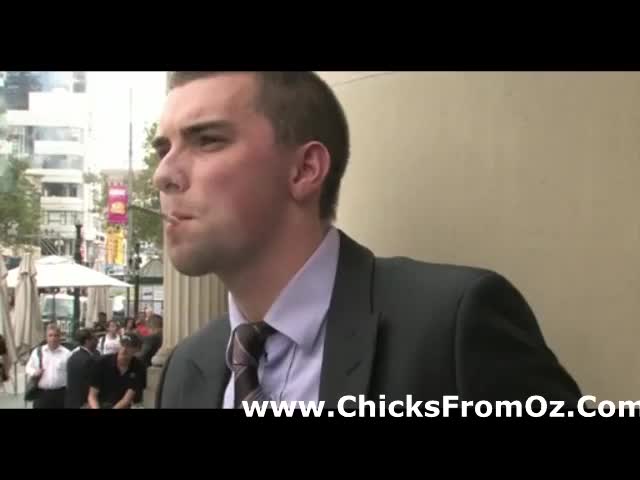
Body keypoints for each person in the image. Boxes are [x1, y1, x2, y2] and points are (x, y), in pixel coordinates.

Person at [153, 72, 582, 410]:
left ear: (305, 170)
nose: (163, 174)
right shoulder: (187, 368)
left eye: (207, 140)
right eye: (163, 149)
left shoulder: (453, 325)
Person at [88, 333, 145, 409]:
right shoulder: (101, 363)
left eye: (129, 346)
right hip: (99, 404)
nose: (124, 350)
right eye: (122, 345)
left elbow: (127, 399)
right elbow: (92, 395)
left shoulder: (139, 367)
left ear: (137, 349)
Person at [25, 324, 71, 409]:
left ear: (60, 337)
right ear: (46, 337)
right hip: (41, 394)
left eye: (56, 335)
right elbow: (28, 367)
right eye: (50, 335)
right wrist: (34, 372)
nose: (53, 338)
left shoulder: (67, 354)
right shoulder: (37, 352)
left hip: (61, 394)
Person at [65, 328, 99, 408]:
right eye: (95, 339)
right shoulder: (90, 360)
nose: (97, 341)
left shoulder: (73, 356)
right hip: (84, 403)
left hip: (72, 402)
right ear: (87, 341)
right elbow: (87, 384)